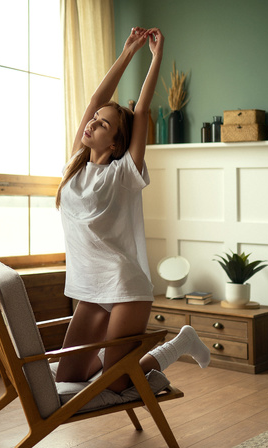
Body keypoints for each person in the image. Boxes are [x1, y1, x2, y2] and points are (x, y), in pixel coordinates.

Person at [55, 27, 210, 393]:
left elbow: (140, 111)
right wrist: (127, 52)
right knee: (68, 378)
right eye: (93, 120)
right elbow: (95, 100)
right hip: (89, 290)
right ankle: (133, 374)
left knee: (117, 382)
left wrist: (155, 56)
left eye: (102, 124)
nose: (91, 123)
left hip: (124, 286)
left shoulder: (124, 173)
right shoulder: (75, 166)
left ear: (117, 142)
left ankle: (179, 344)